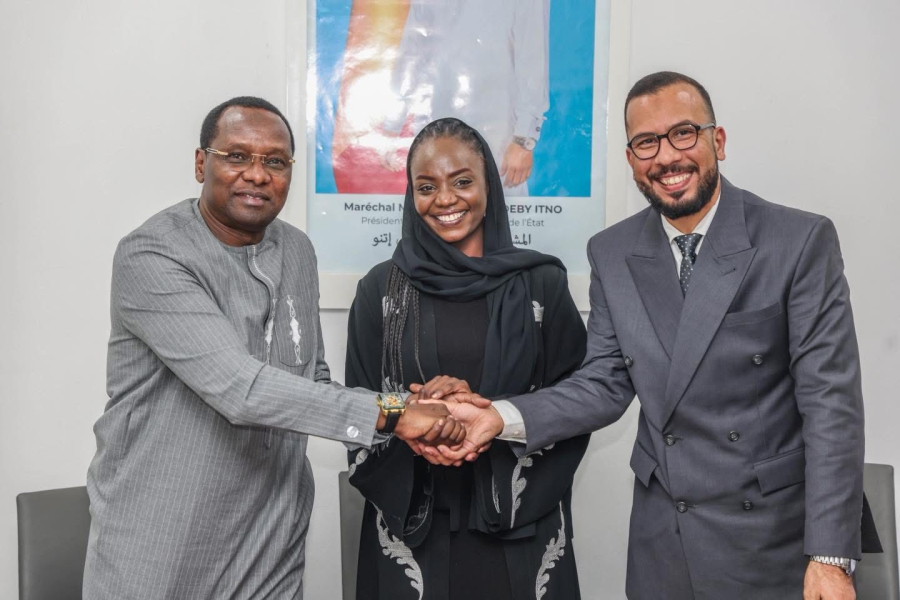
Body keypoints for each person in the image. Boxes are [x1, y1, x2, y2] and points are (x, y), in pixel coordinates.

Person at [428, 73, 880, 599]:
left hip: (774, 539)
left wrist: (829, 557)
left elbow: (831, 406)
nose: (666, 157)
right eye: (646, 142)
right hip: (665, 540)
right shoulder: (612, 252)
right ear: (630, 159)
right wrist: (498, 417)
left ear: (718, 141)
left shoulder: (798, 241)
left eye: (683, 133)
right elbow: (603, 383)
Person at [82, 97, 467, 599]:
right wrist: (395, 415)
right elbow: (241, 389)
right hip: (161, 538)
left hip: (270, 538)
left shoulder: (297, 251)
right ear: (201, 163)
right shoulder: (153, 254)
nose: (257, 174)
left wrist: (408, 408)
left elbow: (312, 381)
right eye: (237, 156)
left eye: (275, 161)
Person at [344, 117, 588, 599]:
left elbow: (578, 399)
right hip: (413, 526)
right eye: (426, 187)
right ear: (411, 196)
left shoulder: (541, 284)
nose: (445, 199)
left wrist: (493, 415)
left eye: (462, 181)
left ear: (489, 185)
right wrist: (415, 416)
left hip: (520, 525)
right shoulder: (380, 290)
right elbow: (360, 401)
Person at [368, 0, 549, 196]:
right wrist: (392, 127)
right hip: (433, 128)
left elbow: (532, 60)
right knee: (436, 208)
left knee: (498, 210)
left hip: (496, 134)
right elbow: (413, 51)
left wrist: (524, 140)